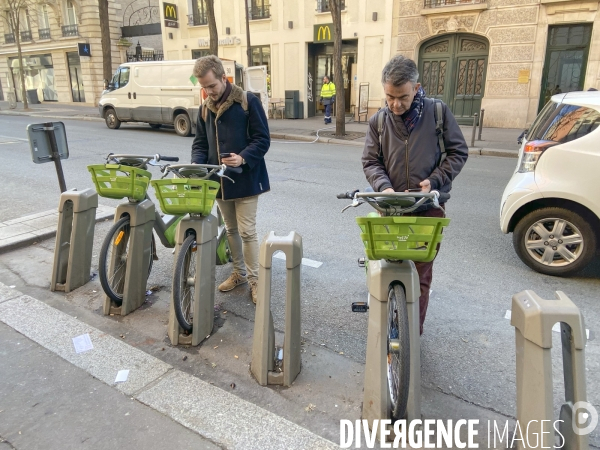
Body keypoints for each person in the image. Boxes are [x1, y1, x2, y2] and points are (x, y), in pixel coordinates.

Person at [362, 55, 468, 334]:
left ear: (417, 87)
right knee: (389, 269)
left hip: (428, 208)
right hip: (391, 208)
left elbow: (458, 152)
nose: (395, 104)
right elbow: (371, 161)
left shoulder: (438, 113)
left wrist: (435, 181)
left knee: (420, 276)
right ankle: (386, 326)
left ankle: (411, 337)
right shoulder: (378, 121)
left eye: (403, 97)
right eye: (389, 97)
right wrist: (384, 188)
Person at [191, 55, 270, 304]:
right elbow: (200, 143)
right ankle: (239, 272)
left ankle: (255, 280)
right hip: (219, 182)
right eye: (203, 87)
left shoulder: (247, 101)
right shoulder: (204, 108)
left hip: (245, 178)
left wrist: (243, 157)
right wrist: (197, 165)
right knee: (231, 229)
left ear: (223, 78)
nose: (208, 92)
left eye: (212, 86)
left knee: (247, 231)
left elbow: (263, 139)